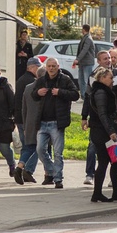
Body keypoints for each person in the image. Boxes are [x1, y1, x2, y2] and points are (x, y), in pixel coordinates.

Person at [31, 58, 80, 188]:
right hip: (42, 122)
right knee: (40, 149)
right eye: (49, 66)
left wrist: (60, 92)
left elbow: (75, 94)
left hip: (57, 122)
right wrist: (38, 92)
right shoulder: (41, 80)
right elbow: (33, 95)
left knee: (58, 152)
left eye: (54, 66)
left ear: (58, 66)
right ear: (46, 67)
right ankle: (52, 170)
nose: (51, 68)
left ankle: (58, 179)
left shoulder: (65, 79)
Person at [88, 68, 117, 203]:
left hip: (106, 131)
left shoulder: (104, 91)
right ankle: (97, 193)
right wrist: (111, 131)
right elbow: (102, 114)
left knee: (116, 160)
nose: (112, 80)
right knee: (104, 162)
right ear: (102, 78)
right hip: (102, 133)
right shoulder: (101, 92)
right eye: (110, 78)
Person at [81, 49, 116, 185]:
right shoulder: (93, 77)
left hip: (112, 119)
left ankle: (115, 180)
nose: (108, 60)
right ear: (98, 61)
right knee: (93, 148)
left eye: (109, 58)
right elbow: (87, 97)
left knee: (114, 152)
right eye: (105, 59)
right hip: (99, 122)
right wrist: (84, 116)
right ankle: (90, 174)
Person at [14, 67, 51, 185]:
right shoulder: (46, 89)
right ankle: (48, 175)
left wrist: (25, 125)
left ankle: (19, 166)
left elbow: (24, 108)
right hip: (43, 122)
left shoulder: (28, 87)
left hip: (29, 122)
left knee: (29, 147)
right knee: (47, 149)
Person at [12, 56, 42, 184]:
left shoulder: (21, 80)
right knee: (35, 146)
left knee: (27, 146)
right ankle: (27, 170)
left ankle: (22, 168)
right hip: (28, 119)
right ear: (33, 67)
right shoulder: (32, 82)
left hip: (20, 118)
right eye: (38, 67)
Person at [73, 24, 96, 99]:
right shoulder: (85, 38)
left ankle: (88, 96)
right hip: (83, 63)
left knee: (87, 81)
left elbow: (84, 50)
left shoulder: (88, 39)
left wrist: (77, 59)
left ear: (84, 29)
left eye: (82, 29)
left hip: (87, 63)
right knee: (81, 80)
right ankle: (83, 96)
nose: (81, 30)